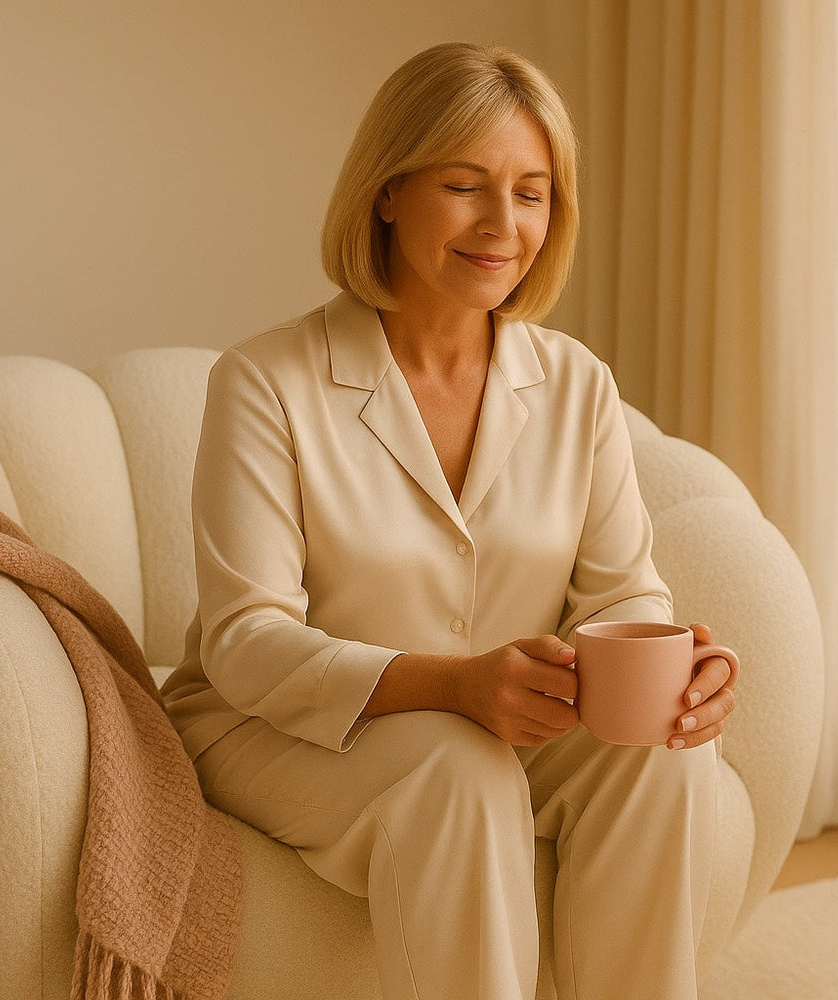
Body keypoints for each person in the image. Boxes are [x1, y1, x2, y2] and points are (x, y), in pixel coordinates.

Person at [161, 41, 738, 1000]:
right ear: (388, 192)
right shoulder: (266, 381)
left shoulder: (576, 385)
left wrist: (677, 672)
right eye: (466, 186)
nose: (503, 225)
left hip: (500, 716)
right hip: (272, 724)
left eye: (531, 192)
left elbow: (623, 591)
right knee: (459, 770)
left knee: (666, 760)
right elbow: (246, 641)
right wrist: (454, 686)